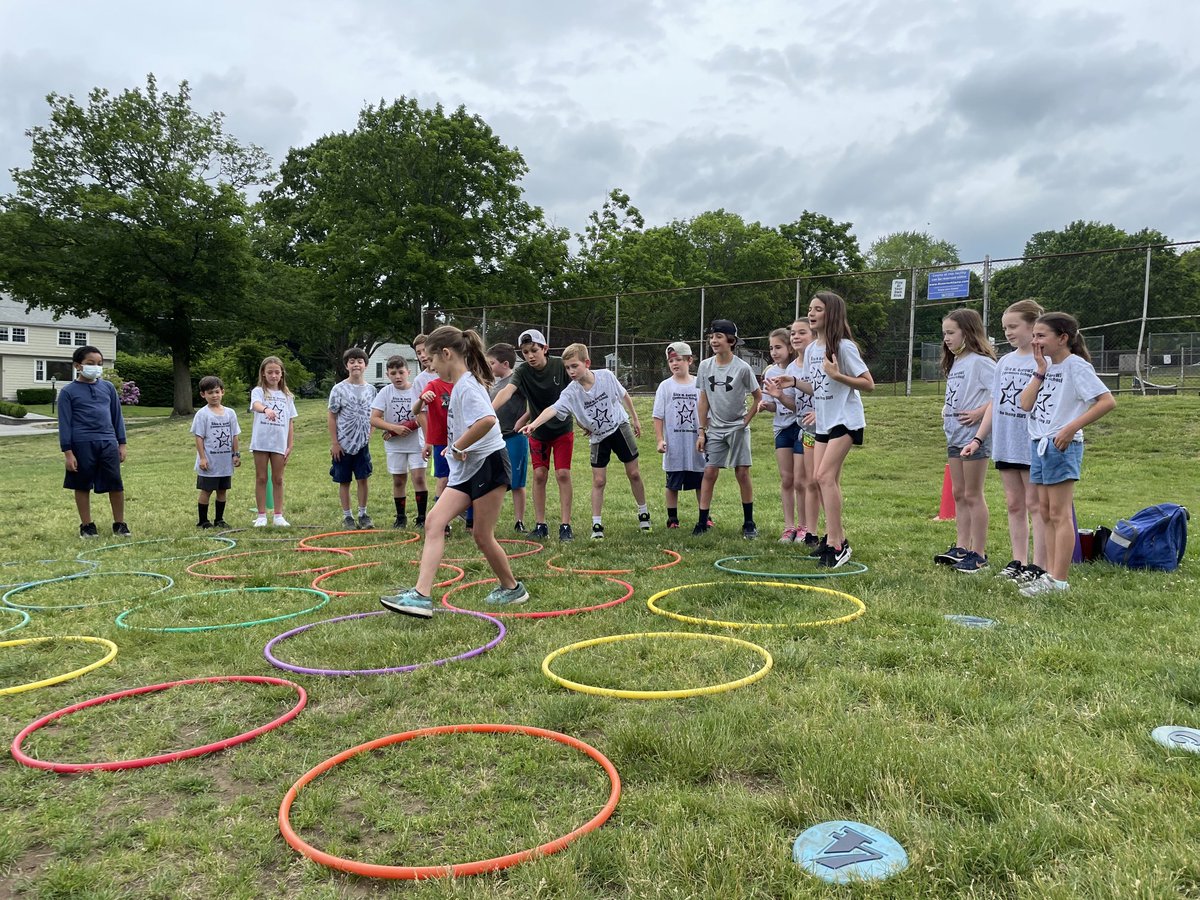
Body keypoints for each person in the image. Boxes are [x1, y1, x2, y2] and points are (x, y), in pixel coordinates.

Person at [381, 326, 528, 617]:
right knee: (434, 522)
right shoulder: (461, 384)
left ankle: (513, 589)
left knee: (483, 536)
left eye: (432, 361)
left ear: (446, 354)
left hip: (488, 464)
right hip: (467, 468)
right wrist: (457, 450)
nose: (431, 368)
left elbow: (487, 421)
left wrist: (458, 446)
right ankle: (421, 596)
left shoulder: (468, 386)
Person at [1017, 312, 1115, 596]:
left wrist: (1071, 428)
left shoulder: (1076, 366)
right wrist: (1039, 370)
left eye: (1041, 336)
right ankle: (1048, 574)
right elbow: (1025, 404)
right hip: (1040, 444)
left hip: (1061, 445)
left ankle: (1059, 580)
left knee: (1060, 514)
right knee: (1045, 512)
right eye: (1034, 335)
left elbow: (1107, 401)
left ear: (1063, 338)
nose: (1035, 341)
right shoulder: (1045, 366)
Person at [522, 342, 650, 539]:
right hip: (598, 437)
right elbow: (553, 409)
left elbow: (624, 395)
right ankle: (597, 525)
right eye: (567, 368)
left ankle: (643, 513)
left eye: (575, 366)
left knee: (633, 473)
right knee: (599, 480)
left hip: (619, 427)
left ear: (587, 363)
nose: (571, 371)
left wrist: (635, 418)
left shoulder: (606, 377)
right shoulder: (571, 392)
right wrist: (534, 424)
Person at [786, 292, 874, 568]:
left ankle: (837, 546)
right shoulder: (812, 349)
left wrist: (838, 375)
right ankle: (836, 538)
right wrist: (794, 382)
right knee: (819, 478)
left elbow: (868, 383)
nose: (812, 314)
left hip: (845, 421)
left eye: (818, 310)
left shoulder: (844, 347)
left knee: (824, 477)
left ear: (831, 313)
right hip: (823, 422)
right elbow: (816, 387)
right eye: (810, 309)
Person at [971, 299, 1048, 583]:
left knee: (1035, 505)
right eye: (1005, 328)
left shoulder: (1044, 363)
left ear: (1033, 327)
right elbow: (994, 402)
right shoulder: (1004, 361)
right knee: (1014, 504)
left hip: (1030, 444)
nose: (1008, 332)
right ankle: (1019, 560)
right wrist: (979, 438)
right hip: (1005, 443)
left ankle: (1039, 565)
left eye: (1014, 326)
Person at [491, 329, 575, 542]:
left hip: (562, 429)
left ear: (545, 349)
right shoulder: (523, 372)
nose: (530, 356)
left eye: (534, 350)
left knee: (563, 474)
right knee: (539, 475)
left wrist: (586, 419)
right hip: (537, 431)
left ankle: (566, 526)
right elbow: (507, 392)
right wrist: (489, 411)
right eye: (525, 352)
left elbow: (577, 392)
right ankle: (541, 525)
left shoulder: (559, 365)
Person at [932, 308, 997, 573]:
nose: (946, 338)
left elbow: (999, 395)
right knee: (958, 493)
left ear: (967, 332)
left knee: (973, 494)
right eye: (944, 333)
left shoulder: (982, 362)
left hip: (974, 438)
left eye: (951, 332)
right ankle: (961, 547)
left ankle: (978, 553)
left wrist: (979, 413)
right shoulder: (958, 362)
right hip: (955, 436)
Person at [694, 319, 761, 539]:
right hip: (715, 428)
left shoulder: (742, 368)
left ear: (731, 341)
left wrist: (745, 422)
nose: (714, 341)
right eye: (712, 337)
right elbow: (703, 400)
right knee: (710, 472)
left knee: (742, 473)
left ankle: (749, 522)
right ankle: (702, 521)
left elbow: (757, 398)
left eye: (719, 337)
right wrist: (701, 431)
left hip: (737, 428)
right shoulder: (705, 366)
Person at [58, 345, 129, 537]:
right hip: (81, 444)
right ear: (78, 366)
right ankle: (87, 525)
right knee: (82, 484)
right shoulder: (67, 392)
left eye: (99, 364)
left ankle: (120, 524)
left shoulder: (107, 388)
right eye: (90, 364)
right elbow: (64, 423)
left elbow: (117, 417)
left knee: (115, 483)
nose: (96, 367)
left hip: (108, 442)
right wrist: (68, 452)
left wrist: (121, 443)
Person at [652, 341, 707, 530]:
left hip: (696, 444)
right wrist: (660, 439)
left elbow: (706, 411)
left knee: (701, 481)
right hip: (675, 445)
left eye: (679, 360)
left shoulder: (699, 385)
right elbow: (658, 416)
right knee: (672, 483)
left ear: (689, 360)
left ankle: (704, 516)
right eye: (671, 361)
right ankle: (672, 519)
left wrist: (704, 434)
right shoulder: (665, 387)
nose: (674, 364)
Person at [370, 355, 428, 528]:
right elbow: (374, 418)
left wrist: (407, 426)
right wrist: (393, 428)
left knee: (418, 478)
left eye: (401, 372)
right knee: (399, 480)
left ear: (408, 372)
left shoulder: (417, 390)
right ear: (387, 374)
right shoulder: (386, 392)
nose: (398, 376)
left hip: (416, 443)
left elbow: (424, 416)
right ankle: (401, 517)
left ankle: (422, 517)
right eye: (393, 373)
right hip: (396, 447)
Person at [758, 327, 802, 542]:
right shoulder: (770, 373)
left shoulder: (797, 370)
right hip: (781, 429)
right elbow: (778, 407)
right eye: (771, 348)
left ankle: (803, 527)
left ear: (789, 347)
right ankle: (789, 527)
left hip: (800, 427)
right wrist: (768, 406)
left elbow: (798, 407)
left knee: (801, 481)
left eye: (778, 347)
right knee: (786, 479)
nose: (774, 352)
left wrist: (781, 397)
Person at [328, 348, 377, 530]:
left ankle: (363, 514)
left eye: (360, 361)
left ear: (365, 365)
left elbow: (374, 414)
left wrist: (369, 434)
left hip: (362, 444)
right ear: (346, 365)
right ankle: (347, 516)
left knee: (363, 478)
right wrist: (335, 443)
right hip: (343, 444)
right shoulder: (339, 389)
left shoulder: (371, 390)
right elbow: (332, 416)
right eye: (352, 361)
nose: (356, 364)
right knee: (344, 480)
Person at [249, 356, 297, 527]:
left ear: (282, 373)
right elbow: (255, 405)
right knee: (261, 478)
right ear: (263, 373)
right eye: (270, 372)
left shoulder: (287, 396)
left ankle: (278, 515)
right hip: (261, 442)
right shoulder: (258, 391)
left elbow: (290, 421)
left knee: (278, 479)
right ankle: (261, 516)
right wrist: (266, 409)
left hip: (279, 444)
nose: (274, 375)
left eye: (277, 372)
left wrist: (289, 445)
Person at [487, 342, 530, 532]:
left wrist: (523, 420)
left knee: (516, 482)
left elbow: (533, 404)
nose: (490, 366)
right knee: (494, 479)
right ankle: (487, 519)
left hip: (515, 437)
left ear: (505, 363)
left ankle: (519, 521)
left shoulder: (517, 380)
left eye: (492, 363)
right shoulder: (494, 384)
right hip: (495, 438)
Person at [190, 376, 241, 529]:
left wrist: (236, 454)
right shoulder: (202, 414)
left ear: (222, 392)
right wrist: (202, 458)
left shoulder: (230, 413)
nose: (214, 395)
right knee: (206, 490)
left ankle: (219, 519)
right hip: (209, 461)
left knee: (222, 490)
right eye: (210, 392)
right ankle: (203, 521)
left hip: (225, 462)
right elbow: (199, 437)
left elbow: (234, 435)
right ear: (203, 395)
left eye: (217, 392)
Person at [413, 367, 454, 535]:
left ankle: (471, 521)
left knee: (466, 478)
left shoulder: (464, 383)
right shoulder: (432, 385)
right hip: (440, 440)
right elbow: (415, 411)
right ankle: (441, 520)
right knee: (443, 478)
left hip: (462, 438)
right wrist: (422, 399)